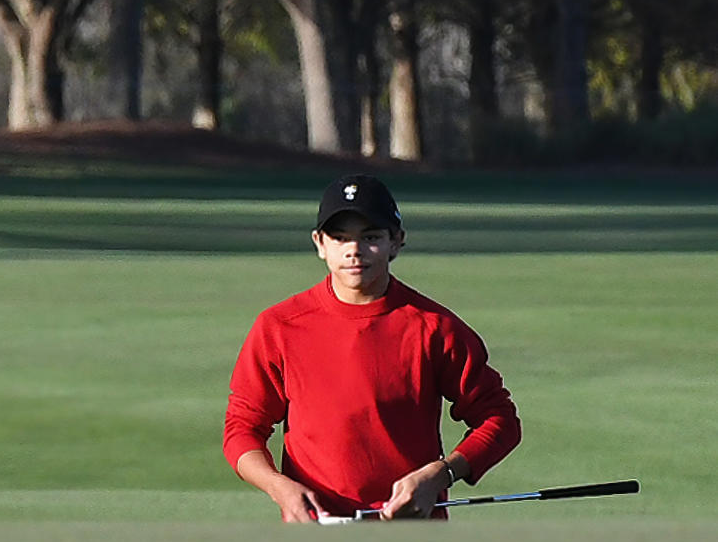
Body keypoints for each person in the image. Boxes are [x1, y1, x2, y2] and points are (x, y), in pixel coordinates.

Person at [223, 174, 521, 522]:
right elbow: (242, 429)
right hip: (315, 539)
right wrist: (279, 486)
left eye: (371, 237)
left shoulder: (435, 328)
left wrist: (442, 474)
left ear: (397, 242)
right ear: (320, 243)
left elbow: (500, 419)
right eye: (340, 238)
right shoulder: (279, 327)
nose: (354, 250)